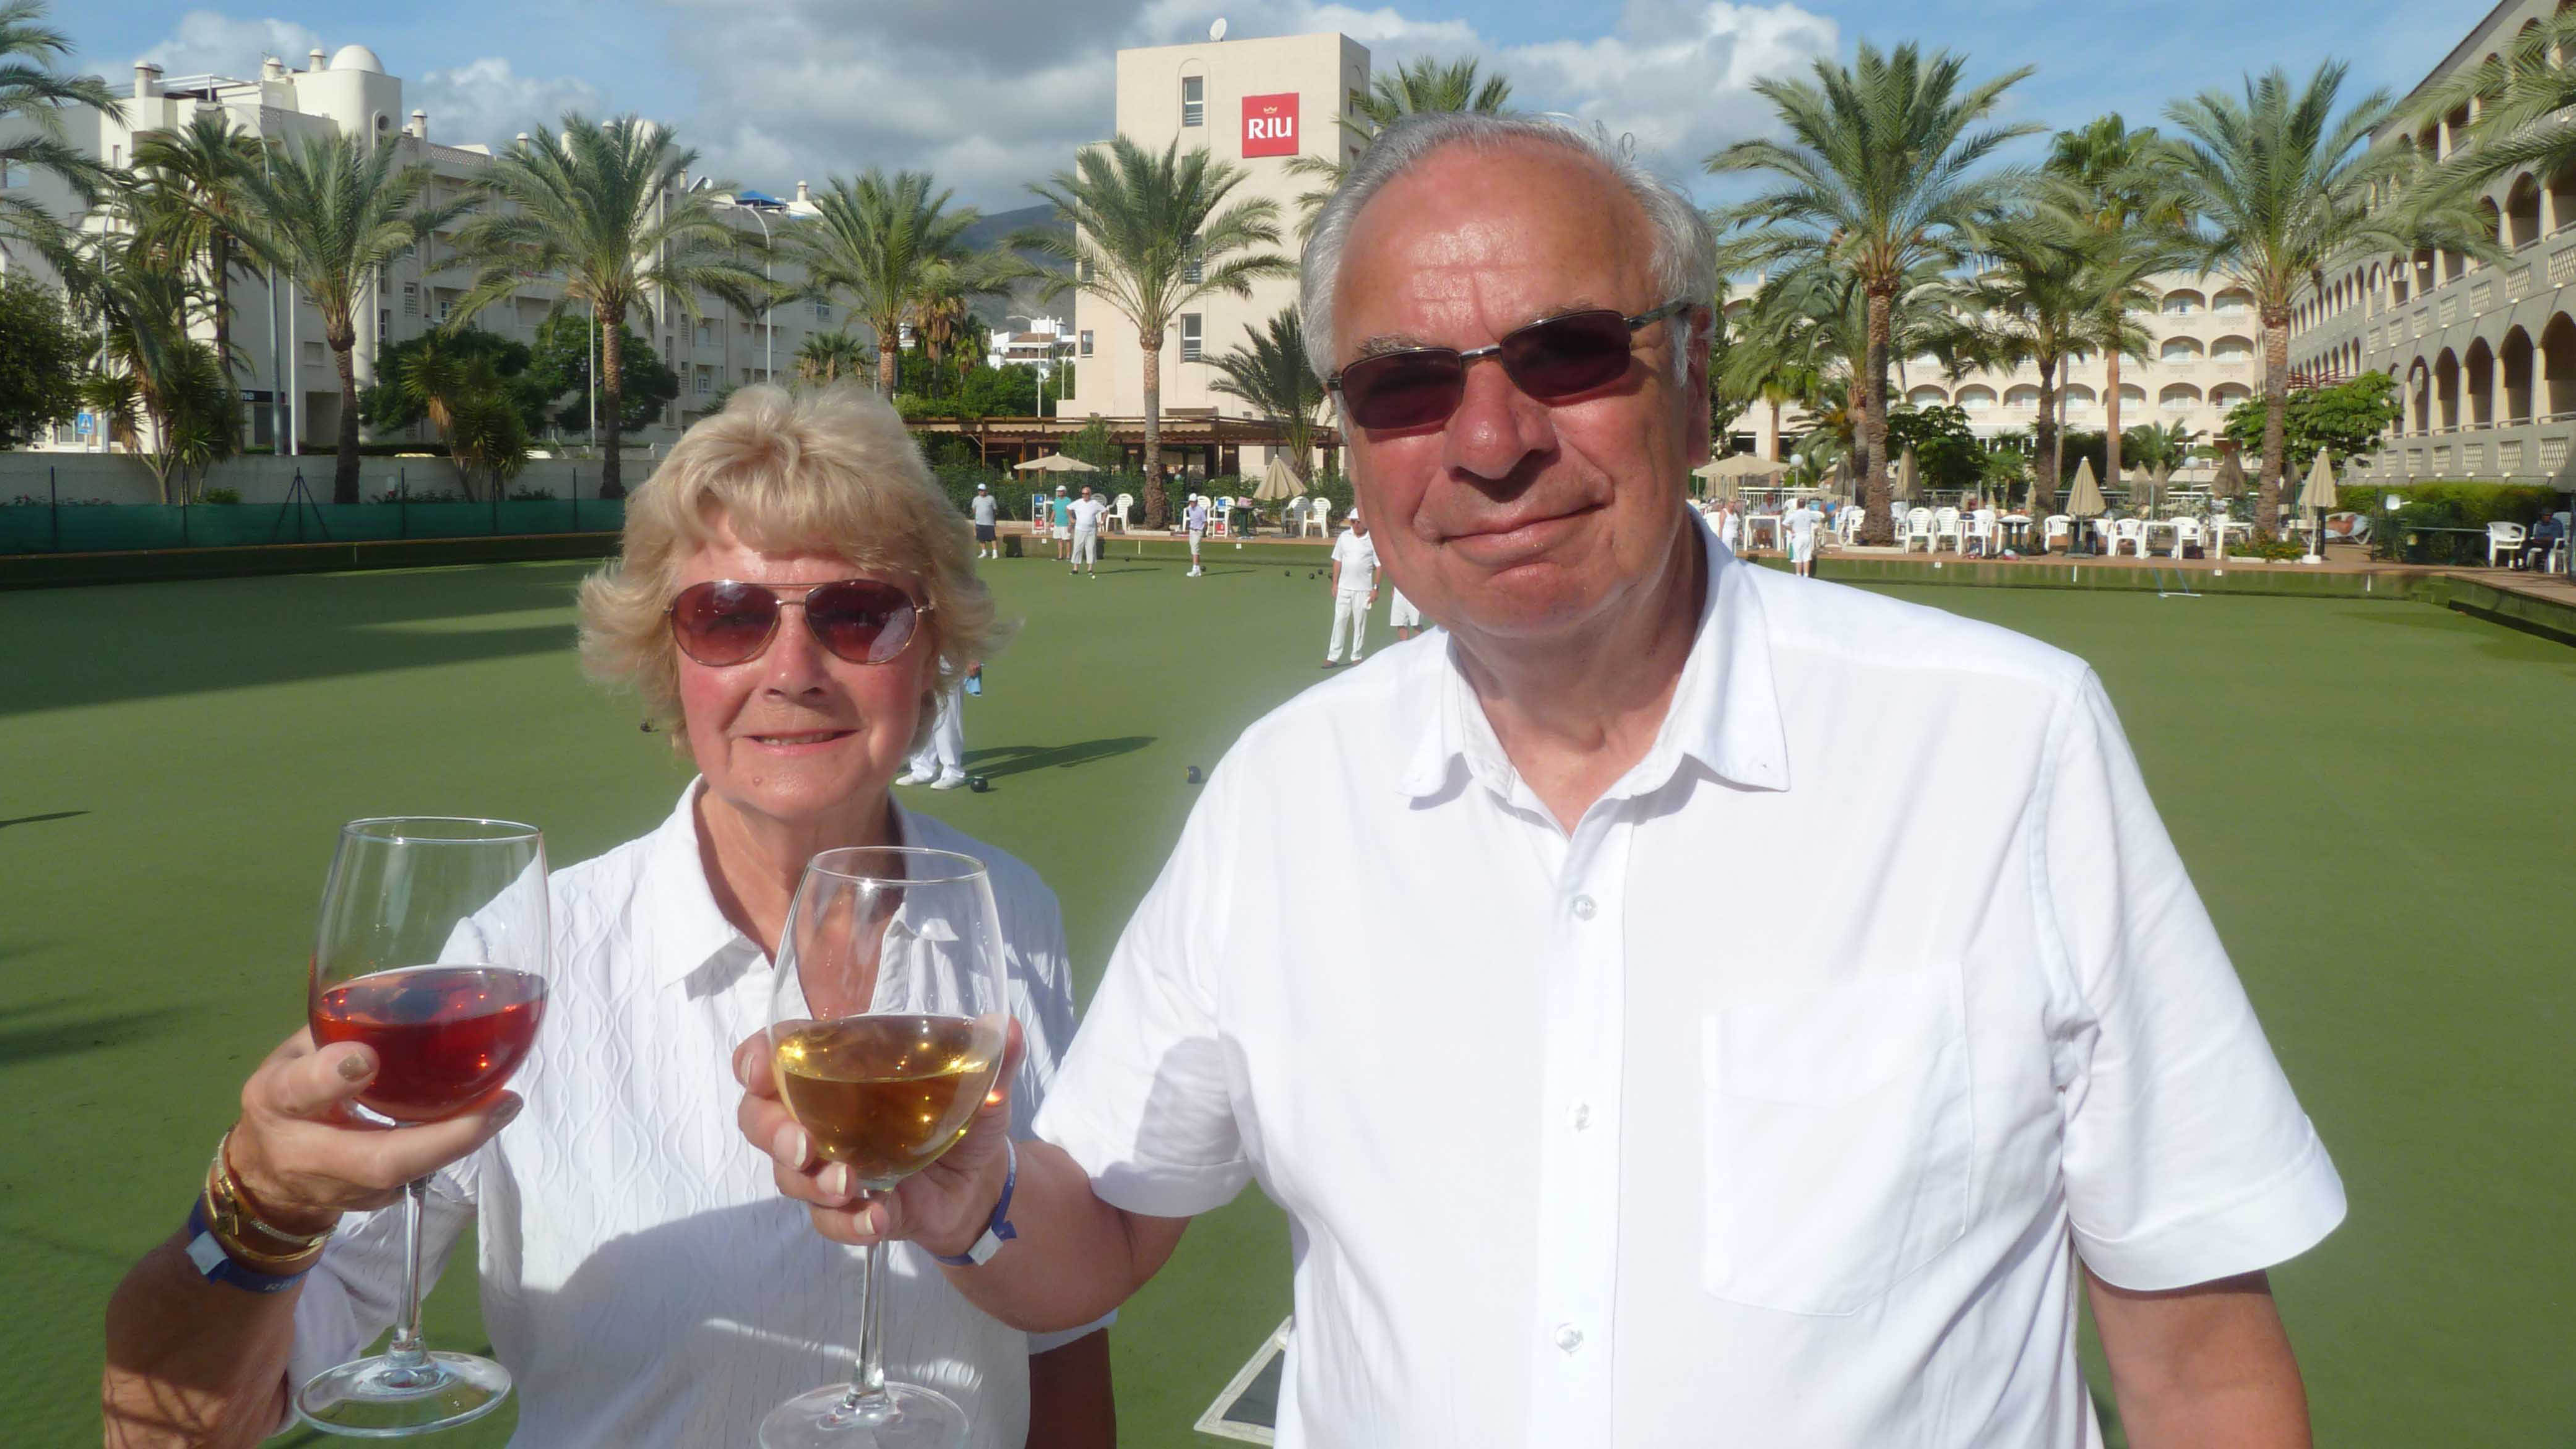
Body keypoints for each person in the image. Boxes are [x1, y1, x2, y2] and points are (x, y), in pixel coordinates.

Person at [739, 115, 2344, 1448]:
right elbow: (1097, 1223)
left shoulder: (1999, 742)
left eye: (1566, 353)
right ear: (1350, 437)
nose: (1490, 438)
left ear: (1692, 375)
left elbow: (2196, 1355)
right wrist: (968, 1197)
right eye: (1404, 385)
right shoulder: (1285, 794)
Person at [102, 386, 1114, 1449]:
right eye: (728, 616)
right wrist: (255, 1211)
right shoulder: (522, 957)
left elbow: (1063, 1327)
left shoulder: (1009, 912)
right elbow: (175, 1434)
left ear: (935, 646)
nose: (792, 671)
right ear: (667, 660)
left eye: (859, 613)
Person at [900, 662, 981, 790]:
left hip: (949, 658)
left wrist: (972, 658)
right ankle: (922, 770)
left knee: (948, 715)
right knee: (922, 711)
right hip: (921, 658)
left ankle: (953, 772)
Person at [1320, 509, 1378, 667]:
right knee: (1340, 621)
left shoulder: (1373, 539)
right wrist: (1335, 583)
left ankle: (1357, 656)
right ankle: (1333, 656)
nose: (1356, 525)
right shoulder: (1344, 537)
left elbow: (1379, 565)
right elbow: (1338, 560)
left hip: (1363, 590)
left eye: (1359, 522)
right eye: (1353, 522)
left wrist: (1376, 588)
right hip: (1344, 588)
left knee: (1360, 624)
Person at [1065, 486, 1106, 578]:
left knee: (1091, 549)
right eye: (1083, 493)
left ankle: (1090, 569)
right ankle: (1075, 569)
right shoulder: (1078, 502)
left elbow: (1105, 511)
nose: (1085, 495)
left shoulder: (1095, 503)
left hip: (1091, 531)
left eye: (1087, 494)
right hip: (1079, 530)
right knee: (1077, 548)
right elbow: (1068, 508)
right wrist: (1071, 519)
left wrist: (1102, 521)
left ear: (1090, 494)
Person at [1781, 494, 1823, 578]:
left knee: (1798, 558)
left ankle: (1799, 576)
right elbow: (1818, 519)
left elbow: (1784, 523)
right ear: (1805, 505)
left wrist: (1791, 529)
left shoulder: (1794, 514)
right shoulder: (1809, 513)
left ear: (1797, 505)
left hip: (1797, 537)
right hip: (1807, 537)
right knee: (1807, 558)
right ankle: (1806, 576)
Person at [972, 481, 1001, 560]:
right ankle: (984, 552)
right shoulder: (975, 499)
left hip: (989, 522)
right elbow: (974, 510)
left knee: (992, 538)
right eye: (980, 490)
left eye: (983, 490)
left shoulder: (991, 498)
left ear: (986, 490)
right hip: (979, 522)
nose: (982, 492)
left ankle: (995, 553)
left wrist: (994, 519)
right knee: (981, 538)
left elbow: (995, 510)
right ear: (978, 491)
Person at [1185, 494, 1211, 577]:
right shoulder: (1189, 509)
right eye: (1190, 502)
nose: (1191, 503)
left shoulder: (1200, 510)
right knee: (1194, 550)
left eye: (1193, 502)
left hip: (1198, 532)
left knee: (1195, 549)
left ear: (1196, 502)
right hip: (1192, 531)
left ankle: (1195, 569)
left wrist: (1204, 532)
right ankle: (1198, 569)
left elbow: (1206, 522)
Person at [1052, 488, 1072, 563]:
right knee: (1059, 540)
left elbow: (1071, 512)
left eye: (1061, 491)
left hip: (1066, 524)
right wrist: (1050, 521)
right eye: (1058, 491)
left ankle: (1068, 556)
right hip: (1057, 524)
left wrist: (1070, 523)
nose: (1059, 492)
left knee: (1067, 540)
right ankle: (1060, 556)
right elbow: (1054, 511)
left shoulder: (1068, 500)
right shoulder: (1056, 500)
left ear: (1064, 492)